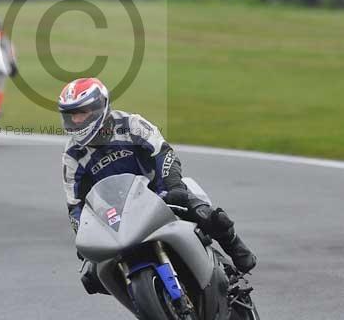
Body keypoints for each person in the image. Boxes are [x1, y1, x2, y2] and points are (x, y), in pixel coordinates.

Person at [58, 77, 256, 294]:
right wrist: (83, 236)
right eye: (71, 115)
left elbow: (162, 151)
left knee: (206, 214)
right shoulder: (72, 155)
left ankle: (237, 250)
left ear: (100, 107)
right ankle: (143, 305)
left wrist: (174, 186)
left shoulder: (131, 124)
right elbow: (75, 205)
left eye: (81, 113)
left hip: (156, 195)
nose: (76, 121)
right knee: (92, 278)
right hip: (116, 217)